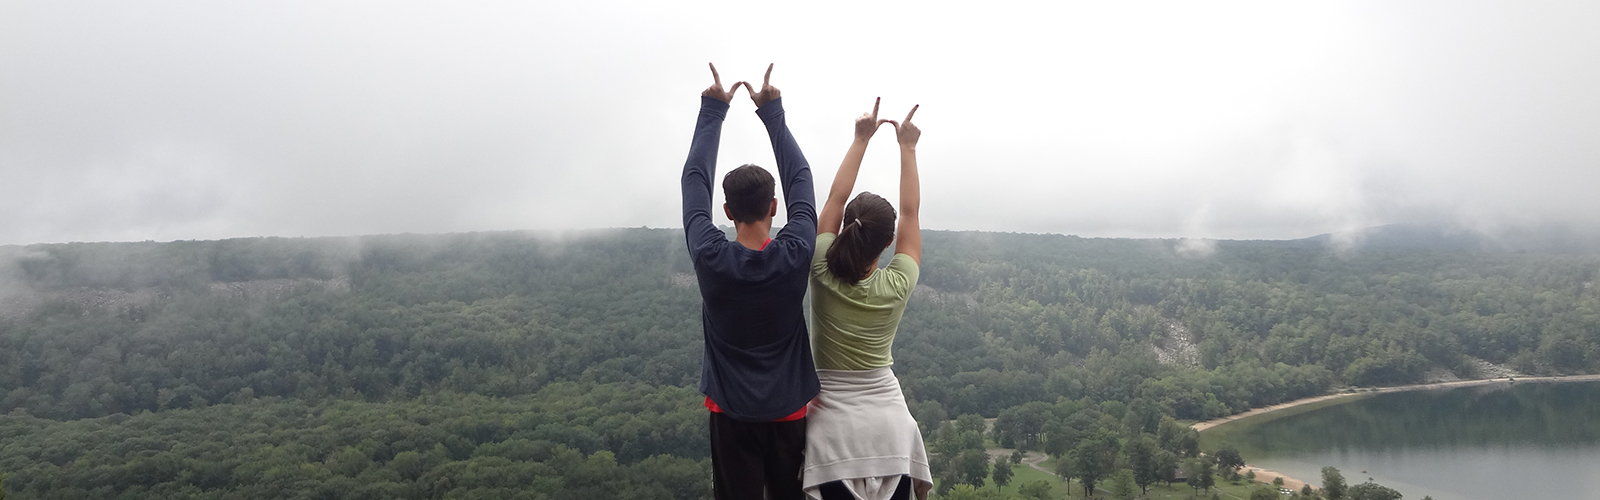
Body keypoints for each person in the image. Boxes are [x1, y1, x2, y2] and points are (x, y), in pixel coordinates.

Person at [681, 62, 819, 500]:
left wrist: (712, 111)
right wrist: (773, 113)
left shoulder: (710, 255)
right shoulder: (795, 253)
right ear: (774, 207)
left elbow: (693, 181)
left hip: (730, 413)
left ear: (726, 212)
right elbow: (802, 178)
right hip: (790, 411)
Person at [801, 99, 930, 500]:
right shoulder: (898, 284)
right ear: (888, 242)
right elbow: (910, 213)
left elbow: (834, 202)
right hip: (893, 433)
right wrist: (907, 148)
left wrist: (861, 139)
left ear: (842, 230)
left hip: (830, 435)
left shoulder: (821, 269)